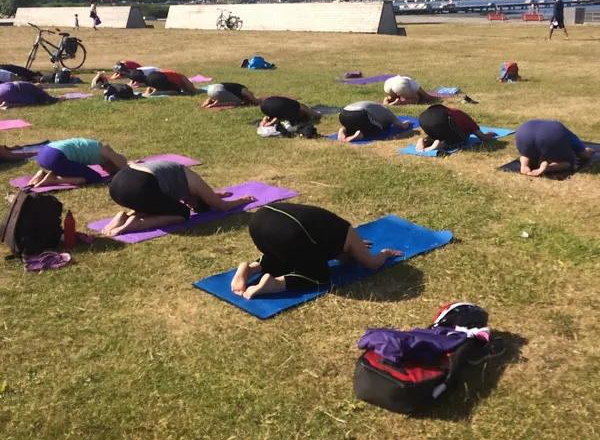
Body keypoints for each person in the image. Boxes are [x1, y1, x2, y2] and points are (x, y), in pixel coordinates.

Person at [230, 202, 404, 299]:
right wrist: (386, 254)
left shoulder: (334, 234)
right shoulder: (346, 233)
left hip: (260, 219)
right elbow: (372, 263)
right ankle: (275, 283)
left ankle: (251, 268)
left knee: (283, 255)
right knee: (319, 276)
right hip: (289, 231)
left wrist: (355, 246)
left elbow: (338, 251)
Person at [102, 161, 256, 236]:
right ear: (198, 197)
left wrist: (213, 194)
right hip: (138, 188)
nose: (187, 203)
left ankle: (125, 216)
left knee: (160, 205)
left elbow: (208, 196)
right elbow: (221, 206)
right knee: (182, 214)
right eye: (193, 205)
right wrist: (242, 201)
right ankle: (135, 224)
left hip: (118, 185)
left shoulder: (182, 177)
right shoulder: (195, 182)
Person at [27, 138, 128, 188]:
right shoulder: (106, 151)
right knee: (94, 177)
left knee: (74, 169)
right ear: (113, 162)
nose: (106, 171)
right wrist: (124, 169)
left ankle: (42, 174)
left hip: (44, 153)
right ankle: (54, 179)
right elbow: (124, 167)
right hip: (57, 157)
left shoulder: (95, 147)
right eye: (112, 171)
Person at [515, 119, 595, 177]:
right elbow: (584, 155)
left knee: (526, 154)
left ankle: (524, 165)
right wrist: (588, 151)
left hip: (523, 131)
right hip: (552, 135)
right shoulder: (563, 132)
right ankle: (547, 168)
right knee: (568, 163)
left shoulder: (550, 126)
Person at [416, 105, 497, 152]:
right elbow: (482, 137)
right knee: (460, 140)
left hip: (423, 118)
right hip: (443, 120)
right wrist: (490, 134)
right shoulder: (467, 119)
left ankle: (424, 141)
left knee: (436, 133)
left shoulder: (449, 111)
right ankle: (440, 145)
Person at [337, 101, 412, 142]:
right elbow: (402, 126)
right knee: (378, 129)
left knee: (355, 125)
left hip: (343, 114)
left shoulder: (377, 108)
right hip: (359, 114)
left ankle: (344, 130)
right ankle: (359, 135)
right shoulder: (389, 114)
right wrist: (407, 123)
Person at [132, 69, 196, 95]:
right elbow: (190, 87)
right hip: (160, 77)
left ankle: (153, 90)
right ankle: (156, 92)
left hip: (153, 77)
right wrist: (193, 90)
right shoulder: (180, 79)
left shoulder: (178, 79)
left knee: (158, 85)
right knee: (176, 91)